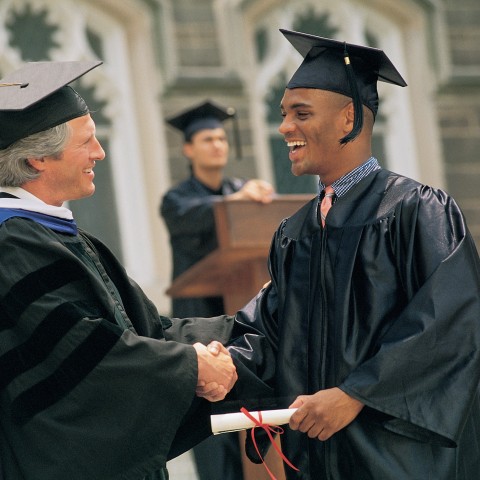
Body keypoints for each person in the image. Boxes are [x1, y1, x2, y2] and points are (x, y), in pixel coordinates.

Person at [225, 29, 480, 479]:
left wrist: (354, 394)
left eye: (301, 113)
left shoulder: (416, 211)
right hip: (318, 461)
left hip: (397, 460)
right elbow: (268, 333)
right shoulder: (294, 232)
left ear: (348, 119)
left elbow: (451, 324)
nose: (284, 127)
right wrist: (201, 366)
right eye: (283, 114)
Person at [0, 60, 239, 480]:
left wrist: (247, 327)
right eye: (87, 141)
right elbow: (84, 357)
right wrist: (192, 367)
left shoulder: (58, 236)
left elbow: (145, 331)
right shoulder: (12, 245)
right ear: (38, 159)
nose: (101, 152)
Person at [160, 101, 274, 480]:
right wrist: (233, 202)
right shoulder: (176, 200)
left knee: (250, 427)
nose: (217, 145)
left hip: (238, 315)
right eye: (208, 139)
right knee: (211, 433)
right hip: (197, 322)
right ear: (188, 149)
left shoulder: (242, 192)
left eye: (222, 138)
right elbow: (192, 219)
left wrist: (250, 199)